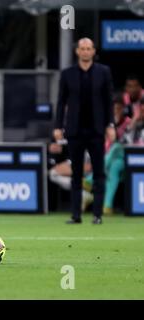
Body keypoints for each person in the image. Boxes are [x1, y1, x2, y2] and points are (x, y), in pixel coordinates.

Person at [54, 37, 115, 225]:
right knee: (76, 174)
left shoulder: (103, 72)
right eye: (83, 48)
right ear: (77, 51)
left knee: (99, 173)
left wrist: (110, 125)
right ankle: (76, 215)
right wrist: (57, 126)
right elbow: (61, 101)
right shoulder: (68, 74)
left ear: (94, 51)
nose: (86, 51)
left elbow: (108, 101)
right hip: (75, 130)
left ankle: (97, 214)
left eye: (89, 48)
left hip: (97, 130)